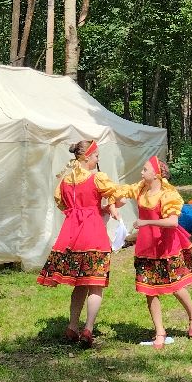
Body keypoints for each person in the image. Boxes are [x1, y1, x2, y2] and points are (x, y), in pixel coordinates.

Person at [38, 139, 129, 347]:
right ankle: (88, 328)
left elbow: (62, 204)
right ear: (87, 157)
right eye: (96, 156)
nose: (98, 160)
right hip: (93, 233)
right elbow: (119, 196)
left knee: (79, 283)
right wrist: (108, 207)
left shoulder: (65, 180)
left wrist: (80, 211)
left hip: (71, 233)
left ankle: (72, 325)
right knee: (95, 284)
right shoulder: (97, 178)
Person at [129, 155, 192, 347]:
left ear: (156, 174)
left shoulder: (168, 194)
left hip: (165, 245)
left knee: (174, 285)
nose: (141, 173)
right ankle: (159, 332)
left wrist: (146, 222)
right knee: (149, 290)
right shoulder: (142, 189)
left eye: (145, 170)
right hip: (146, 246)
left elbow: (173, 222)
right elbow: (122, 192)